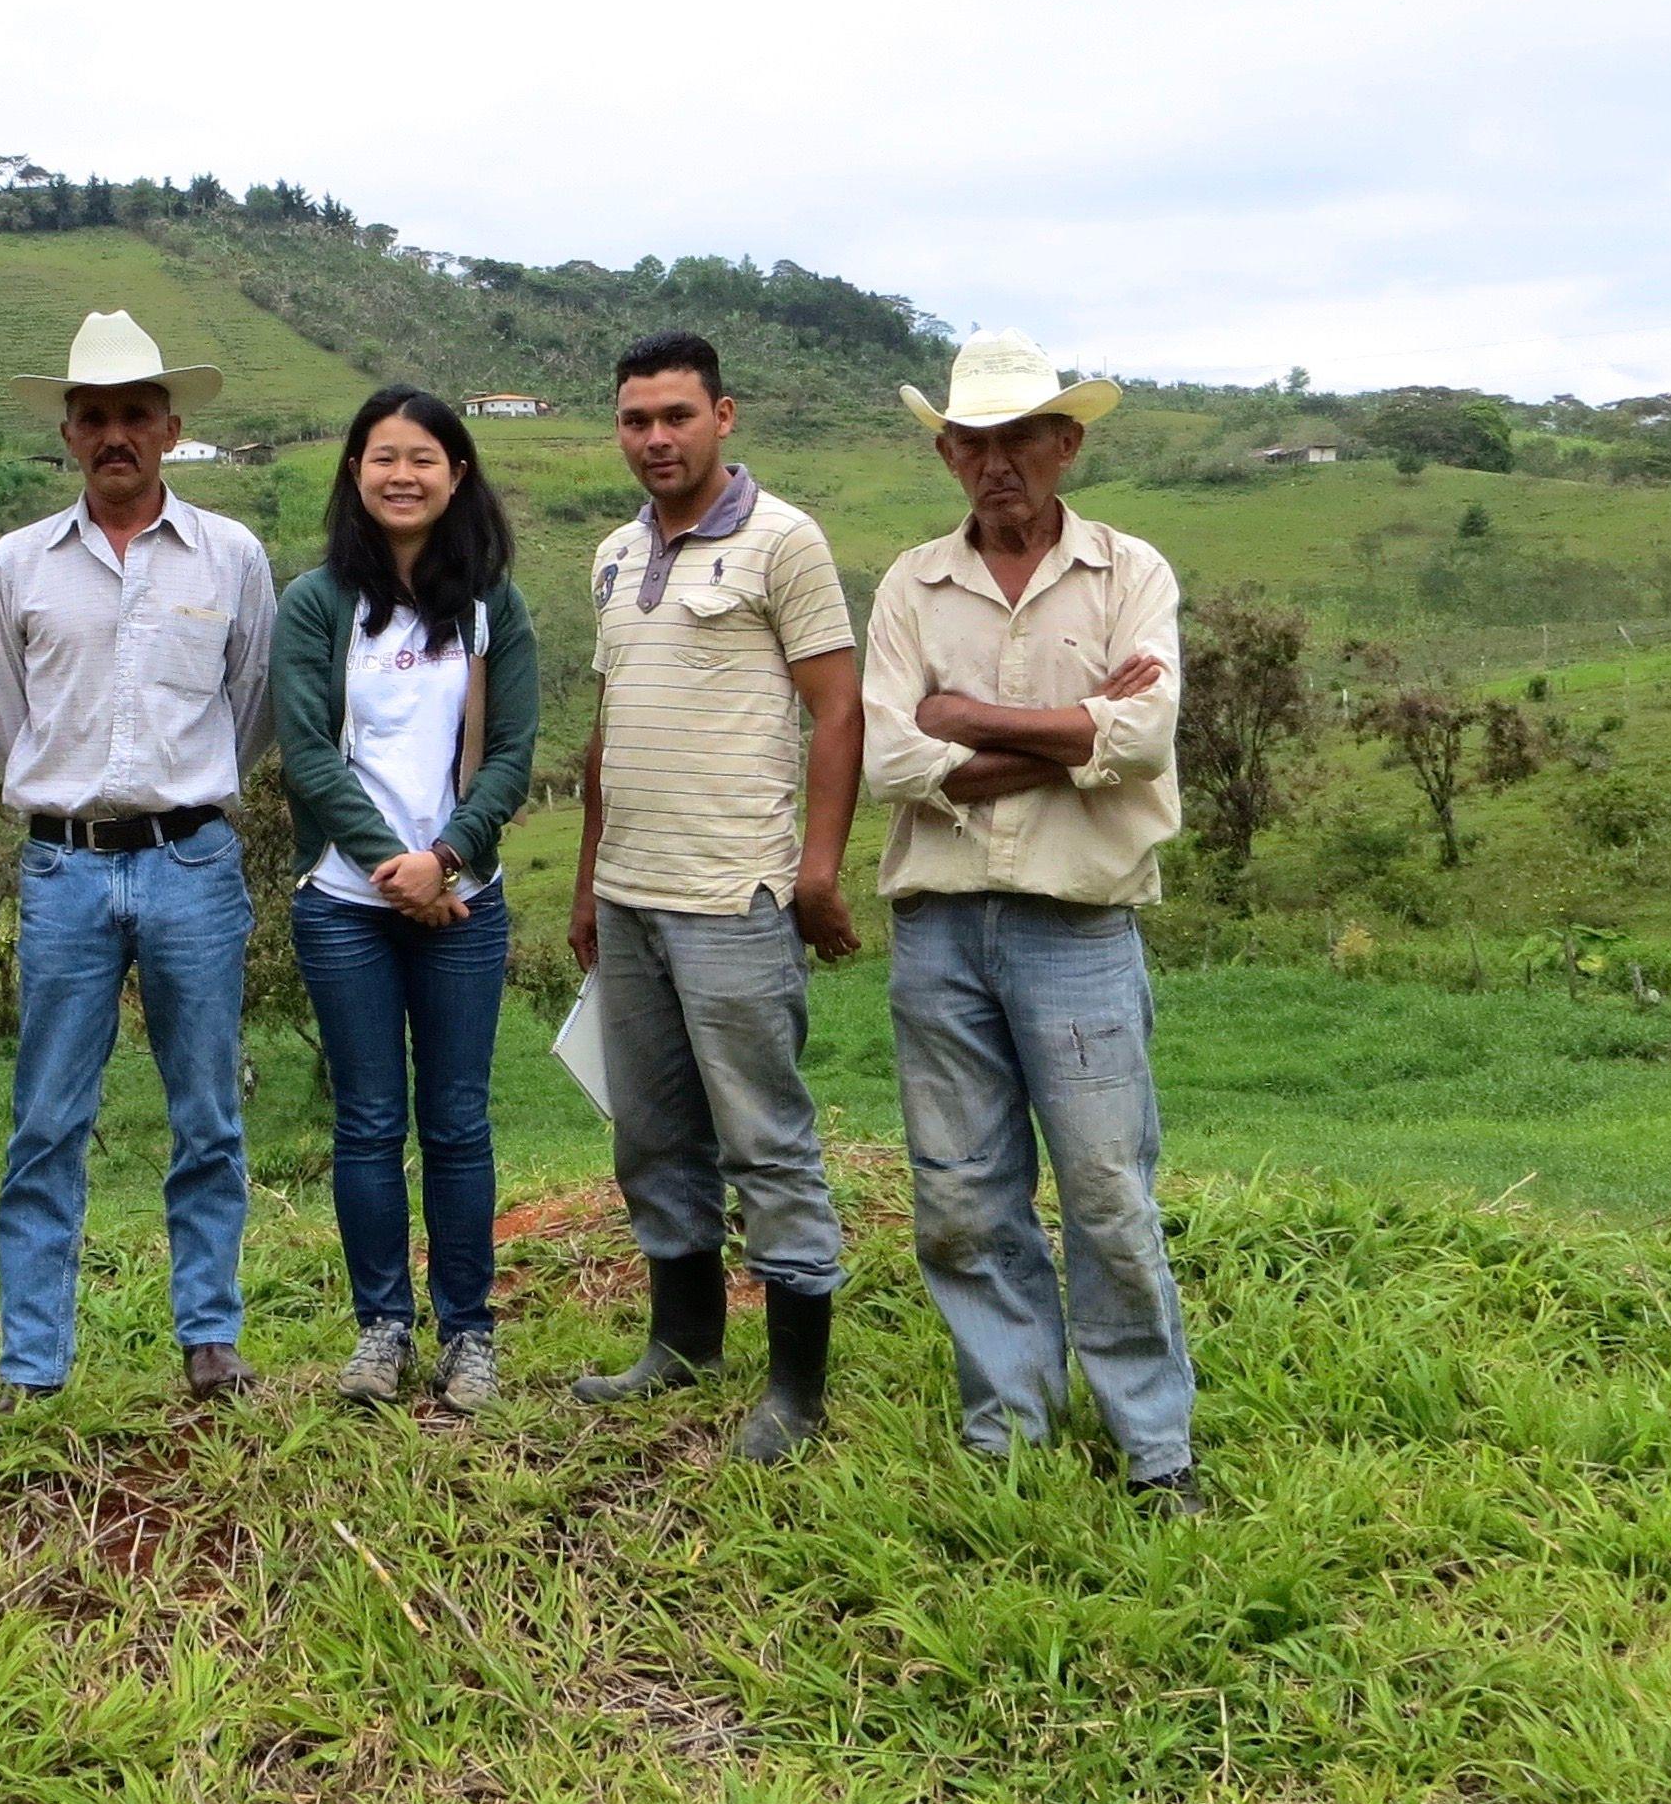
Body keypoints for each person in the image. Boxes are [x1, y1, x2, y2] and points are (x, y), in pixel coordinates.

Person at [859, 328, 1203, 1511]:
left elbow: (1146, 736)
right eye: (973, 443)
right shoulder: (913, 581)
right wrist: (1070, 736)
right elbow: (893, 758)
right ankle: (1008, 1425)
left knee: (1106, 1187)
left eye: (1019, 440)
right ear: (947, 452)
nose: (995, 463)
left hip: (1076, 925)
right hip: (942, 924)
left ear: (1066, 445)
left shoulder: (1129, 573)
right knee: (961, 1189)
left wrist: (970, 719)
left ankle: (1153, 1443)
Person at [565, 330, 867, 1462]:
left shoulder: (784, 543)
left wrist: (816, 872)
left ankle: (796, 1389)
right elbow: (608, 733)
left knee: (765, 1140)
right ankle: (680, 1344)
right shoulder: (608, 554)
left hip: (733, 892)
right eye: (636, 420)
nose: (654, 438)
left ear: (723, 417)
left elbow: (838, 711)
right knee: (648, 1134)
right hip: (633, 896)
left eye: (675, 417)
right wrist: (591, 879)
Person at [0, 310, 281, 1405]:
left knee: (206, 1109)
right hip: (63, 867)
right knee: (47, 1116)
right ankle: (33, 1363)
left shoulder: (230, 556)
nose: (115, 435)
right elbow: (4, 720)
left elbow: (249, 709)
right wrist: (72, 808)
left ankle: (209, 1337)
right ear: (66, 434)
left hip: (190, 862)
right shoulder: (18, 564)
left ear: (170, 428)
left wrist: (177, 795)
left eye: (134, 417)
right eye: (94, 417)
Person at [273, 388, 540, 1412]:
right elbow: (305, 751)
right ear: (353, 472)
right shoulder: (315, 604)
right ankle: (380, 1327)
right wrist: (396, 864)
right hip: (345, 901)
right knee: (369, 1121)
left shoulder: (488, 605)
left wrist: (450, 858)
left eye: (423, 457)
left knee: (459, 1122)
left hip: (464, 902)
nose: (401, 474)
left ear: (457, 474)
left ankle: (468, 1333)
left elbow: (512, 750)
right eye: (382, 456)